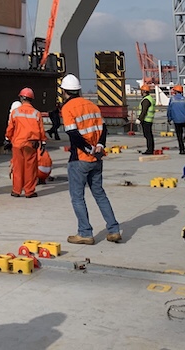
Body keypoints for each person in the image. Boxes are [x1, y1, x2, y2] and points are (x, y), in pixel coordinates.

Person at [60, 74, 122, 244]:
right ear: (78, 90)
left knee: (77, 197)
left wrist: (88, 149)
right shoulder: (92, 105)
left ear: (64, 92)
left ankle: (85, 233)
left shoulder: (67, 108)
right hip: (97, 158)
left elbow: (72, 133)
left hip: (79, 158)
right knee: (100, 194)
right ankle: (114, 230)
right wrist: (99, 146)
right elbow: (103, 128)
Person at [6, 88, 45, 198]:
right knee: (30, 168)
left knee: (18, 167)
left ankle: (16, 191)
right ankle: (29, 191)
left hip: (18, 143)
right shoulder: (36, 113)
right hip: (31, 144)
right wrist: (43, 142)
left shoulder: (15, 112)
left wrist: (8, 139)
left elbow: (10, 129)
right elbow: (41, 130)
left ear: (21, 98)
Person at [167, 85, 185, 154]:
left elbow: (169, 110)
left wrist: (169, 118)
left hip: (176, 120)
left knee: (179, 135)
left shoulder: (172, 100)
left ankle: (181, 150)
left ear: (175, 91)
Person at [138, 83, 156, 155]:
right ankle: (150, 149)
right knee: (149, 135)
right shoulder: (150, 98)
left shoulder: (146, 100)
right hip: (149, 120)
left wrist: (139, 119)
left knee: (148, 136)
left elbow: (144, 111)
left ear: (144, 91)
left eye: (142, 91)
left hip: (146, 120)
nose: (141, 92)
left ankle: (149, 150)